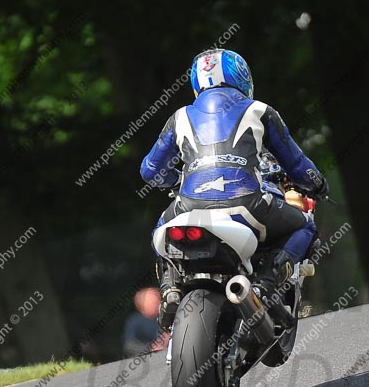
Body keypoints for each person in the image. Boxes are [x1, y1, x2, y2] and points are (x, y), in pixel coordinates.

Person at [140, 49, 328, 331]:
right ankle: (266, 284)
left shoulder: (179, 116)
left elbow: (150, 172)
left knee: (161, 230)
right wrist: (317, 185)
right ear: (242, 78)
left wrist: (177, 180)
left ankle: (170, 289)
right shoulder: (260, 110)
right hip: (249, 204)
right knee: (305, 227)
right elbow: (297, 164)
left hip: (187, 206)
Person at [122, 288, 168, 357]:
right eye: (153, 301)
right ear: (142, 305)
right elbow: (129, 345)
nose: (158, 302)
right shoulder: (135, 321)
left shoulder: (166, 317)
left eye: (158, 299)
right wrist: (151, 348)